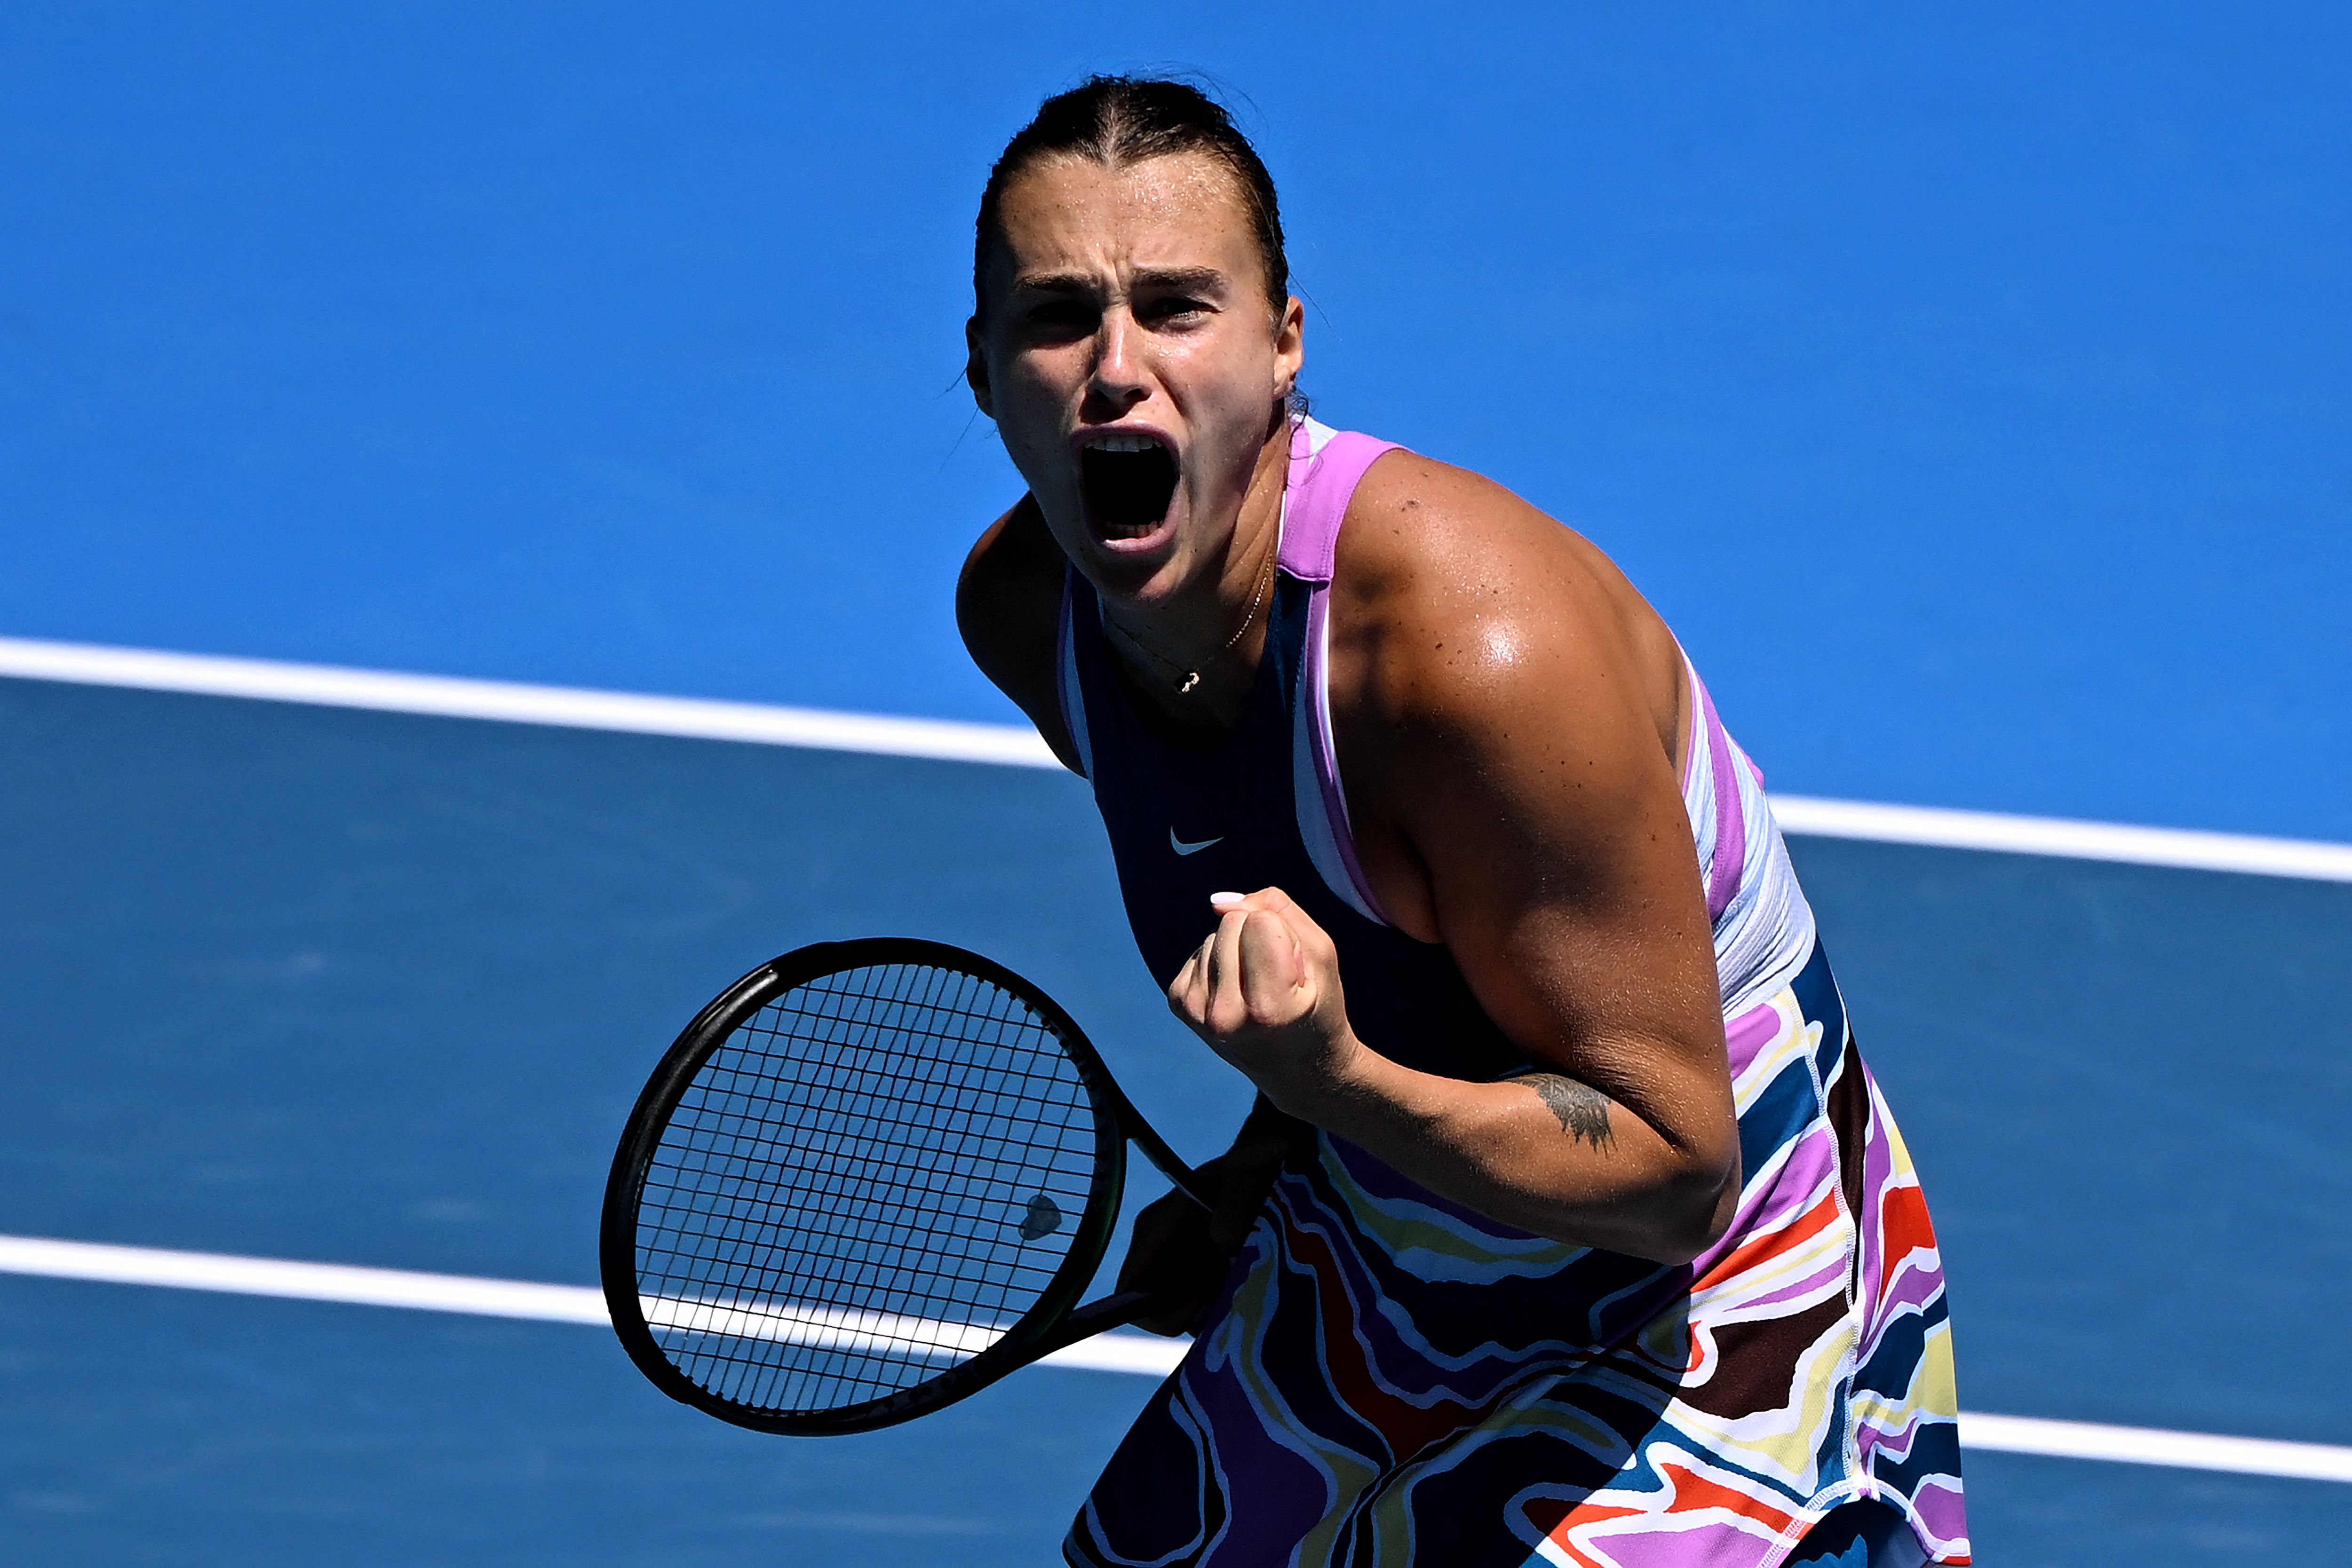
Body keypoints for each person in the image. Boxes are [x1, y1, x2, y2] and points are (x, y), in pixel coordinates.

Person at [956, 76, 1968, 1568]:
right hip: (1407, 1210)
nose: (1117, 370)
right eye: (1057, 318)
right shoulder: (1028, 622)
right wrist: (1264, 1168)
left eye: (1176, 308)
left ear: (1284, 345)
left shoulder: (1474, 658)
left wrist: (1336, 1086)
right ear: (983, 371)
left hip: (1707, 1255)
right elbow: (1355, 915)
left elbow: (1672, 1167)